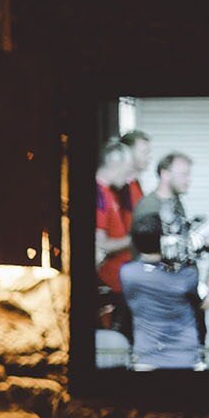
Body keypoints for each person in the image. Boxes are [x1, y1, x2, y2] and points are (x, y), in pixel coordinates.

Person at [117, 211, 206, 369]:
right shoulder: (184, 276)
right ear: (163, 241)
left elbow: (147, 267)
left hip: (146, 359)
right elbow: (204, 300)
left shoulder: (127, 273)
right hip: (185, 360)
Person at [88, 136, 138, 337]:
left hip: (119, 284)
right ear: (114, 163)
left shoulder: (109, 193)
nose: (129, 177)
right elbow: (100, 244)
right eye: (127, 170)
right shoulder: (98, 194)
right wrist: (136, 240)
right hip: (108, 286)